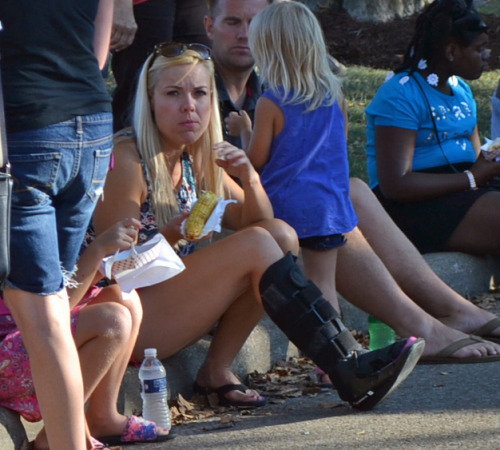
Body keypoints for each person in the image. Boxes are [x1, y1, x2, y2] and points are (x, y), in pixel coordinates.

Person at [90, 41, 425, 412]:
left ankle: (218, 371)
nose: (190, 105)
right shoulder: (128, 160)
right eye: (173, 93)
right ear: (149, 100)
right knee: (259, 245)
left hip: (166, 306)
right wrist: (170, 236)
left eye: (200, 93)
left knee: (279, 235)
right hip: (123, 320)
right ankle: (347, 364)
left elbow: (268, 227)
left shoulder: (194, 158)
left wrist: (249, 177)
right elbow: (116, 272)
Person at [238, 1, 500, 365]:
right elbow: (341, 154)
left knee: (316, 284)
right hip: (331, 205)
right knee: (324, 284)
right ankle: (342, 356)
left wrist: (245, 135)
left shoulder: (270, 102)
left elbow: (258, 161)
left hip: (291, 205)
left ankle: (337, 358)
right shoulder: (336, 96)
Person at [0, 1, 116, 448]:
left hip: (27, 129)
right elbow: (99, 55)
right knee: (53, 309)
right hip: (91, 128)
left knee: (45, 318)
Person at [0, 218, 174, 449]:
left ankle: (103, 417)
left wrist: (103, 266)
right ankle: (56, 433)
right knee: (112, 320)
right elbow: (50, 314)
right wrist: (97, 251)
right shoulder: (16, 220)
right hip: (12, 355)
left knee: (124, 298)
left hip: (28, 338)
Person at [365, 0, 500, 256]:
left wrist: (490, 164)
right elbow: (395, 185)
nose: (487, 55)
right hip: (412, 207)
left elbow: (475, 161)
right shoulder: (401, 95)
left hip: (462, 190)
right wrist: (471, 178)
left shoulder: (461, 89)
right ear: (451, 51)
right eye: (480, 48)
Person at [111, 0, 209, 132]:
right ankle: (127, 151)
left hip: (196, 5)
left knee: (200, 81)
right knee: (138, 94)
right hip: (144, 5)